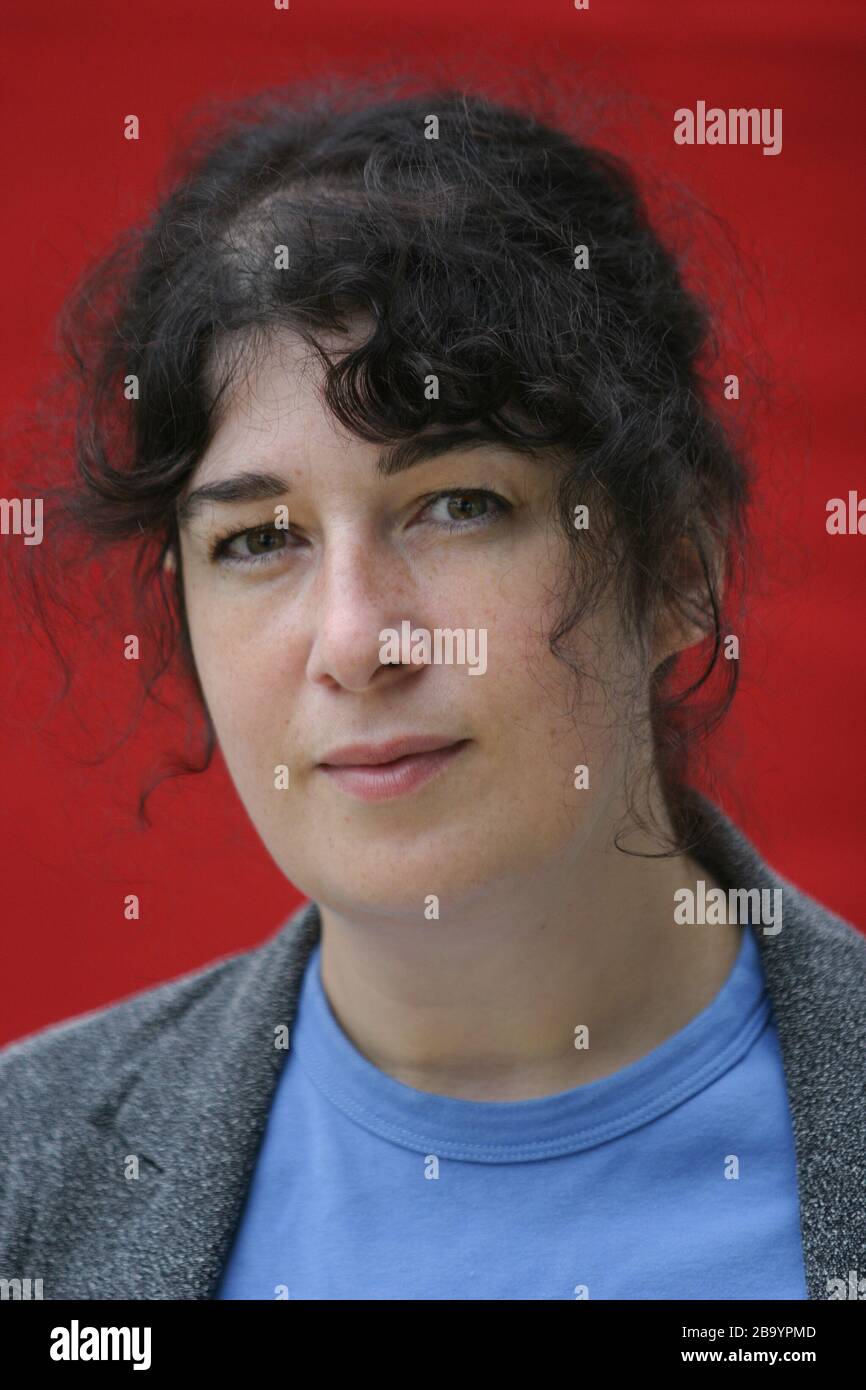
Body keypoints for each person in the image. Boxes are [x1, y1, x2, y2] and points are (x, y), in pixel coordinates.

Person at [1, 77, 864, 1302]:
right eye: (258, 540)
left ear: (676, 565)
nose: (354, 640)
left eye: (457, 504)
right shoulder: (24, 1179)